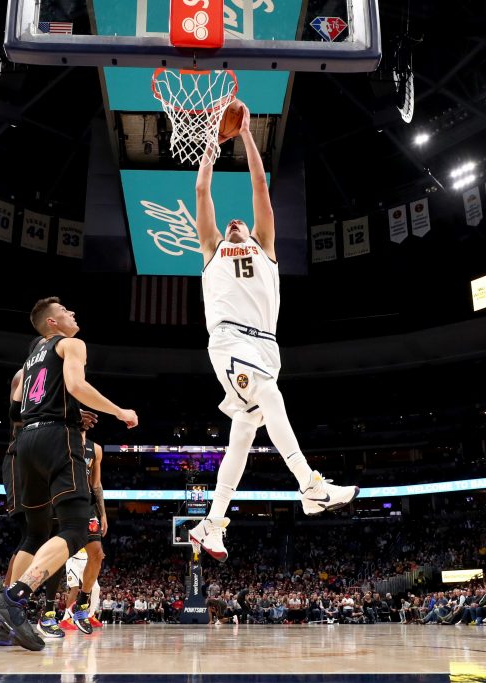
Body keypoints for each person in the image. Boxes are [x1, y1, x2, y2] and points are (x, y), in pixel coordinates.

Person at [188, 101, 359, 561]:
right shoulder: (211, 249)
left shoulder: (266, 248)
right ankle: (309, 484)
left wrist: (246, 135)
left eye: (240, 222)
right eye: (230, 225)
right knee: (268, 396)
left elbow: (260, 185)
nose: (234, 222)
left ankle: (211, 523)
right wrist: (210, 147)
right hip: (228, 341)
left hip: (265, 346)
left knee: (240, 440)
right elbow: (203, 193)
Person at [0, 297, 137, 651]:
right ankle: (13, 599)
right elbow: (76, 387)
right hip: (56, 437)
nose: (73, 314)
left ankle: (4, 609)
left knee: (35, 533)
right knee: (74, 529)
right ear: (53, 324)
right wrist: (120, 411)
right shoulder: (72, 343)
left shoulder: (31, 358)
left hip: (25, 443)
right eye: (66, 311)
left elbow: (14, 406)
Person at [60, 430, 106, 631]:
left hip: (87, 506)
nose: (86, 418)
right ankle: (52, 613)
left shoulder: (95, 449)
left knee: (98, 553)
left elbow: (96, 484)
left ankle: (82, 607)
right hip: (63, 502)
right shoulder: (60, 440)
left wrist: (103, 513)